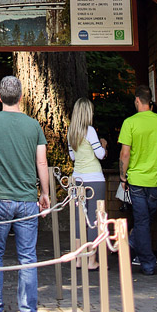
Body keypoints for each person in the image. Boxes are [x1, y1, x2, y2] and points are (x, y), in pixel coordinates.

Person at [0, 75, 49, 312]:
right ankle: (28, 310)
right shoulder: (34, 125)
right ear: (21, 97)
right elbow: (41, 162)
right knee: (28, 257)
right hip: (27, 199)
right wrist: (45, 193)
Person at [118, 85, 157, 276]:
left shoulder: (129, 123)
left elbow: (125, 153)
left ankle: (146, 262)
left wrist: (123, 177)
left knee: (141, 222)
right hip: (156, 180)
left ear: (137, 100)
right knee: (145, 221)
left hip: (136, 179)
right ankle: (138, 251)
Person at [67, 98, 107, 269]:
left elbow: (72, 157)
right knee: (94, 219)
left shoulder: (71, 132)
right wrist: (104, 145)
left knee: (78, 218)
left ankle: (78, 259)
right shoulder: (90, 131)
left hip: (77, 179)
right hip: (94, 179)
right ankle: (91, 260)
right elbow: (100, 155)